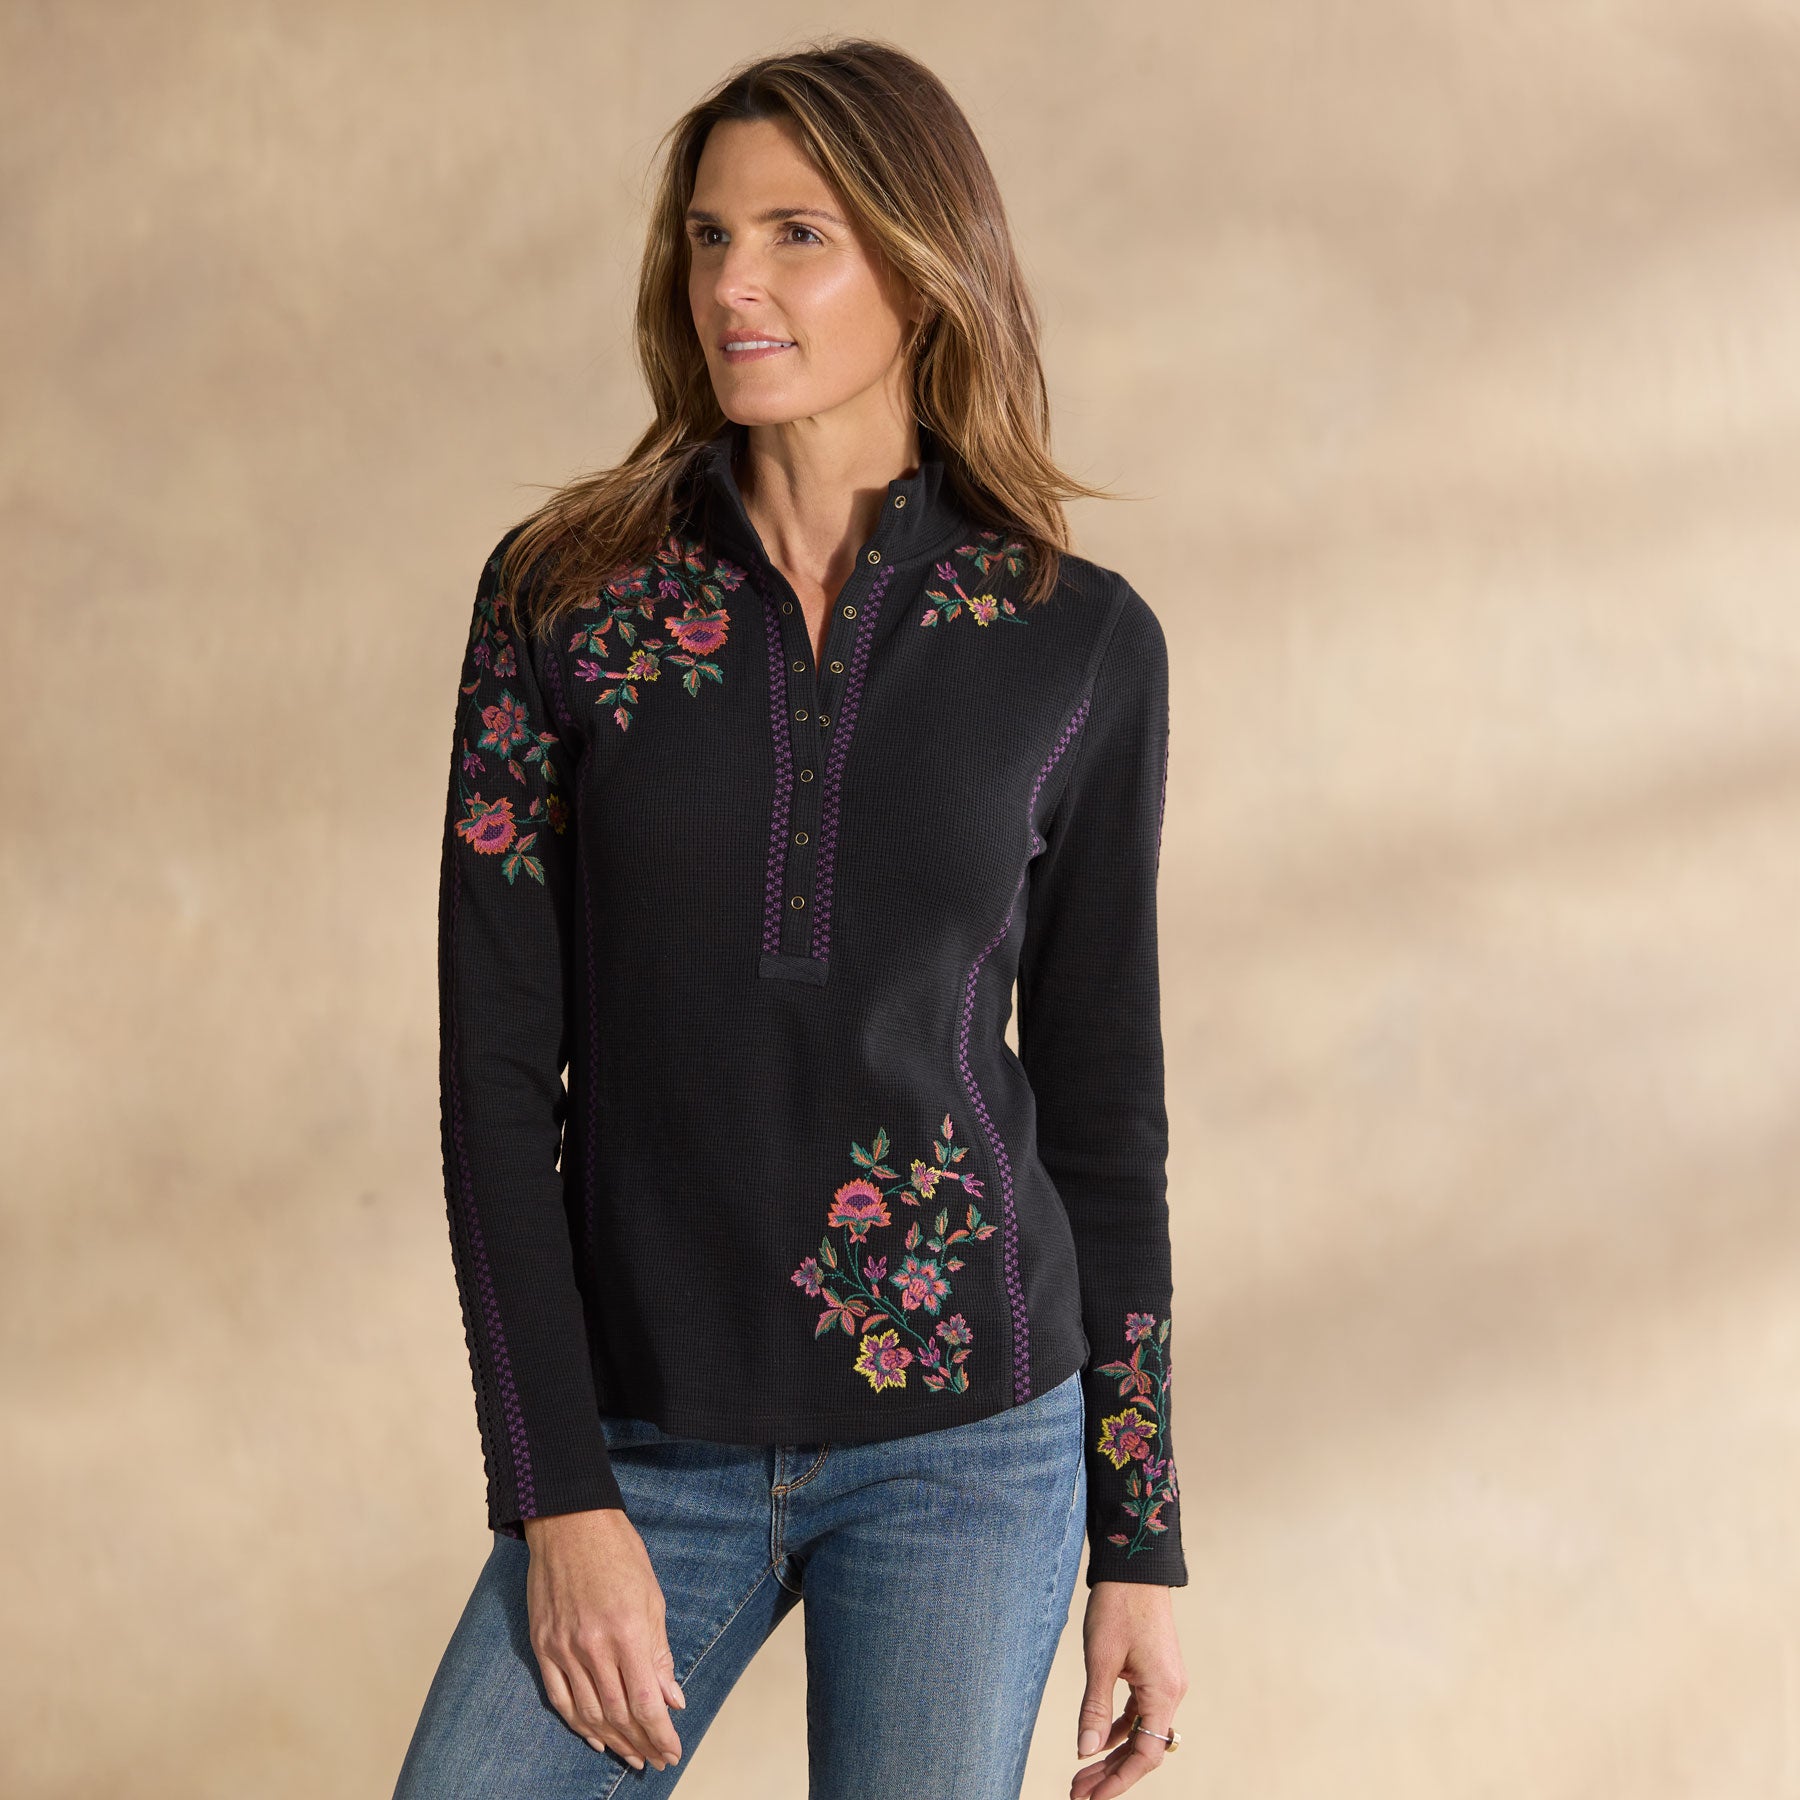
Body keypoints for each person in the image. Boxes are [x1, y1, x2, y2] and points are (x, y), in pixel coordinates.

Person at [393, 35, 1188, 1800]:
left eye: (795, 236)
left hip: (974, 1446)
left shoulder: (1077, 641)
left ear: (923, 265)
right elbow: (494, 1080)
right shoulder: (563, 600)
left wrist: (1141, 1540)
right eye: (707, 238)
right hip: (641, 1437)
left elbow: (1105, 1113)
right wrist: (555, 1491)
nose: (730, 285)